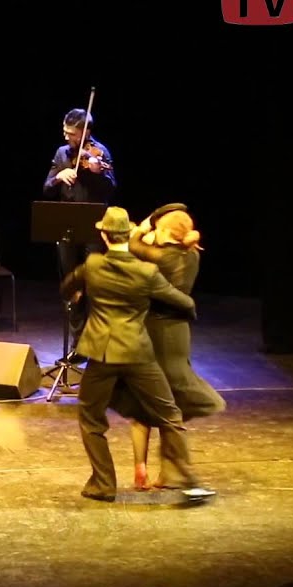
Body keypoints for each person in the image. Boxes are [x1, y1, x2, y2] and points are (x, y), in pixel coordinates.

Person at [59, 207, 214, 503]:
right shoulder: (147, 271)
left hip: (102, 354)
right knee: (170, 415)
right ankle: (191, 484)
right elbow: (181, 300)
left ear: (104, 236)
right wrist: (190, 310)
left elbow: (68, 285)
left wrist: (75, 294)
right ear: (127, 235)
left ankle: (103, 484)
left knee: (91, 418)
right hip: (138, 352)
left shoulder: (92, 264)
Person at [111, 204, 225, 490]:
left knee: (143, 406)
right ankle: (167, 473)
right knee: (169, 402)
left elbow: (133, 243)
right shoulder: (192, 256)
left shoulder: (158, 257)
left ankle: (141, 469)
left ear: (166, 232)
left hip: (154, 331)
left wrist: (147, 223)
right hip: (178, 334)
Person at [43, 108, 118, 350]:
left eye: (72, 134)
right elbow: (46, 188)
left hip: (95, 224)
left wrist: (97, 173)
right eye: (65, 132)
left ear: (86, 133)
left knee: (94, 283)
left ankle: (95, 341)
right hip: (67, 223)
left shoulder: (100, 153)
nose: (67, 138)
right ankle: (77, 343)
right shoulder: (62, 153)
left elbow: (110, 188)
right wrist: (58, 176)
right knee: (71, 283)